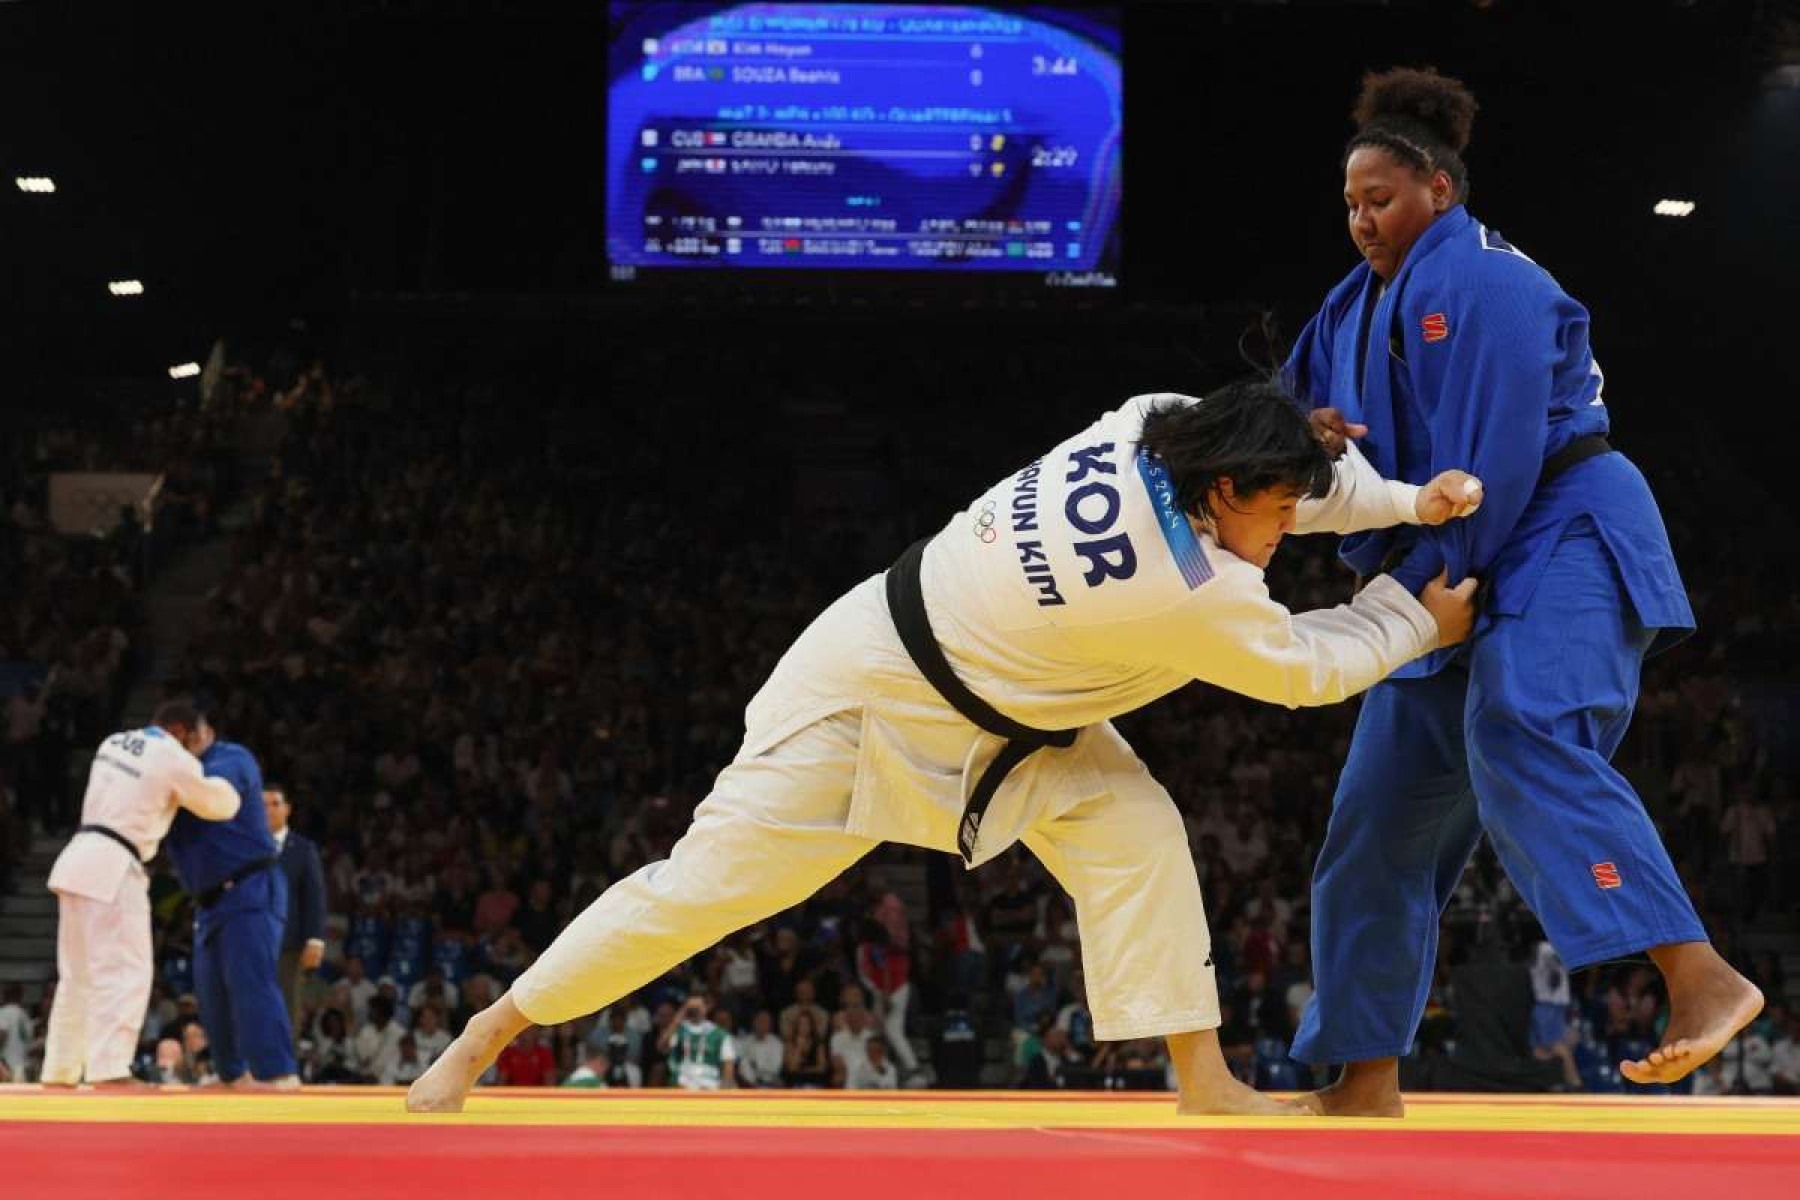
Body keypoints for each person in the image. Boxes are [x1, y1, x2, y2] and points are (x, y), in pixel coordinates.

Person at [408, 379, 1483, 1115]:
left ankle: (1201, 1076)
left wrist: (1399, 497)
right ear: (1223, 495)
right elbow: (1302, 669)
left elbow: (1294, 469)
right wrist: (1414, 615)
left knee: (1137, 828)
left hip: (1014, 709)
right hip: (868, 696)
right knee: (707, 888)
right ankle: (488, 1033)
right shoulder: (1187, 587)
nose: (1287, 526)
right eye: (1278, 511)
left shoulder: (1158, 420)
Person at [1284, 67, 1762, 1114]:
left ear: (1440, 193)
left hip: (1556, 526)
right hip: (1444, 564)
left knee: (1522, 726)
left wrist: (1417, 602)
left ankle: (1699, 976)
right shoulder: (1347, 307)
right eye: (1353, 203)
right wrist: (1304, 436)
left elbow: (1490, 462)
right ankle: (1360, 1075)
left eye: (1384, 199)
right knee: (1373, 822)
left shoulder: (1491, 282)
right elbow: (1287, 418)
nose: (1364, 220)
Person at [40, 701, 241, 1086]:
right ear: (183, 731)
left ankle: (60, 1070)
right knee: (125, 970)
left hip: (79, 857)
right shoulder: (169, 755)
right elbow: (218, 805)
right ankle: (110, 1069)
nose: (195, 749)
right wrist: (226, 779)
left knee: (77, 974)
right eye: (196, 741)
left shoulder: (112, 742)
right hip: (114, 866)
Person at [161, 702, 301, 1087]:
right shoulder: (173, 773)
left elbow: (210, 798)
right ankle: (232, 1075)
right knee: (211, 994)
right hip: (207, 902)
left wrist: (164, 785)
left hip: (250, 886)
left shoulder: (230, 758)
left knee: (250, 982)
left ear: (195, 732)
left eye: (176, 738)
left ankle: (279, 1074)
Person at [266, 783, 326, 1034]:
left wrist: (314, 938)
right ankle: (251, 1068)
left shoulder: (302, 849)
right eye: (262, 805)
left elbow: (314, 896)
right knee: (249, 1004)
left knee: (287, 1005)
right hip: (251, 939)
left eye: (275, 804)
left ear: (287, 809)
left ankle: (286, 1069)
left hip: (289, 942)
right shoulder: (247, 847)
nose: (268, 810)